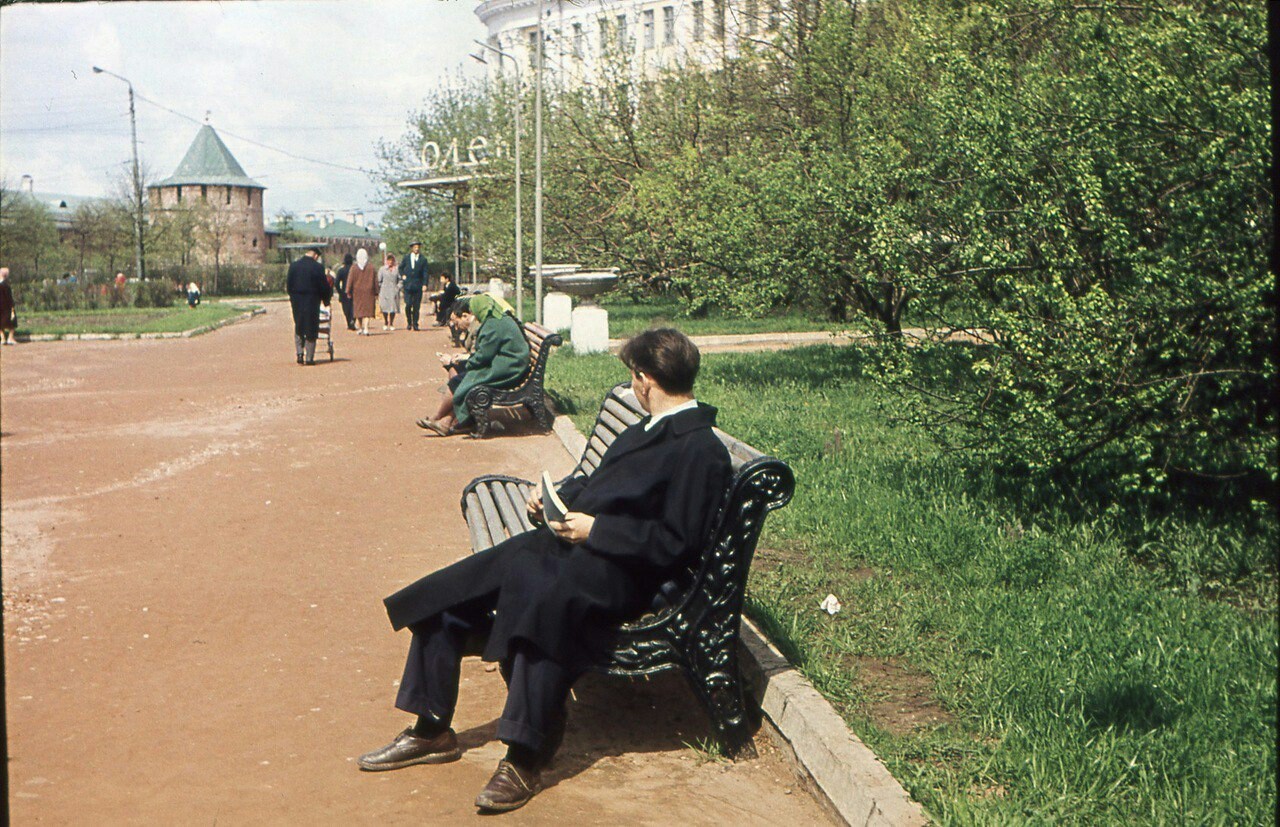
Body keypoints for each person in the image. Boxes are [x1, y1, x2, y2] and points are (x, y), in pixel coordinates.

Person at [360, 328, 731, 813]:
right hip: (577, 547)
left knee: (539, 603)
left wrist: (596, 532)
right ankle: (431, 729)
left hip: (624, 571)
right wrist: (556, 498)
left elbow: (678, 544)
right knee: (452, 591)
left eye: (632, 377)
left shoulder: (699, 449)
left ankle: (524, 755)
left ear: (645, 380)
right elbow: (601, 484)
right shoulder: (648, 428)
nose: (632, 385)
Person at [414, 295, 528, 437]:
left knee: (462, 381)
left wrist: (468, 363)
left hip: (508, 370)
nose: (473, 315)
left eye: (474, 311)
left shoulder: (493, 325)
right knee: (462, 379)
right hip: (509, 365)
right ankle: (444, 422)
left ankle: (438, 418)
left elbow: (483, 356)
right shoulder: (497, 319)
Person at [286, 246, 333, 365]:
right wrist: (326, 301)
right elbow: (323, 287)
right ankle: (309, 358)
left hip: (297, 301)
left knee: (299, 325)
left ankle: (299, 353)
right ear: (316, 256)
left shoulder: (294, 266)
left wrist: (293, 297)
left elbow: (288, 285)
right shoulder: (317, 267)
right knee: (311, 327)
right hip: (312, 301)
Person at [347, 248, 378, 336]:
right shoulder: (371, 267)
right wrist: (376, 292)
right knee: (368, 311)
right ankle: (366, 328)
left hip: (357, 292)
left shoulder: (354, 268)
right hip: (369, 292)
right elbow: (375, 281)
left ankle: (360, 328)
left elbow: (350, 280)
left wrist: (348, 291)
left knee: (359, 310)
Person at [399, 241, 428, 331]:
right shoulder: (406, 258)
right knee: (408, 305)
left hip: (418, 285)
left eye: (418, 247)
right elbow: (400, 268)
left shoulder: (423, 259)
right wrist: (403, 275)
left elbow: (425, 273)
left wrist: (424, 284)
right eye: (415, 247)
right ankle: (409, 322)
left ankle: (415, 323)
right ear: (412, 248)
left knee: (416, 306)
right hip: (408, 285)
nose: (416, 249)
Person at [377, 254, 402, 331]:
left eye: (391, 260)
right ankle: (385, 322)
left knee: (393, 308)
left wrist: (398, 287)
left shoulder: (397, 269)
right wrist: (381, 288)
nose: (390, 262)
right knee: (384, 307)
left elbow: (400, 280)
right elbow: (378, 280)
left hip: (394, 291)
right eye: (388, 260)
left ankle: (391, 323)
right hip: (384, 291)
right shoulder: (382, 269)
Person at [334, 254, 356, 331]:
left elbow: (336, 283)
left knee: (346, 309)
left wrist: (340, 292)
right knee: (354, 308)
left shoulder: (341, 271)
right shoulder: (355, 270)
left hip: (344, 293)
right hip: (354, 292)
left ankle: (349, 322)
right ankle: (352, 320)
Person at [0, 267, 17, 345]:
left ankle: (2, 338)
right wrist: (12, 306)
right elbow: (9, 298)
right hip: (6, 307)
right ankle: (10, 338)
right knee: (13, 322)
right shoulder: (6, 286)